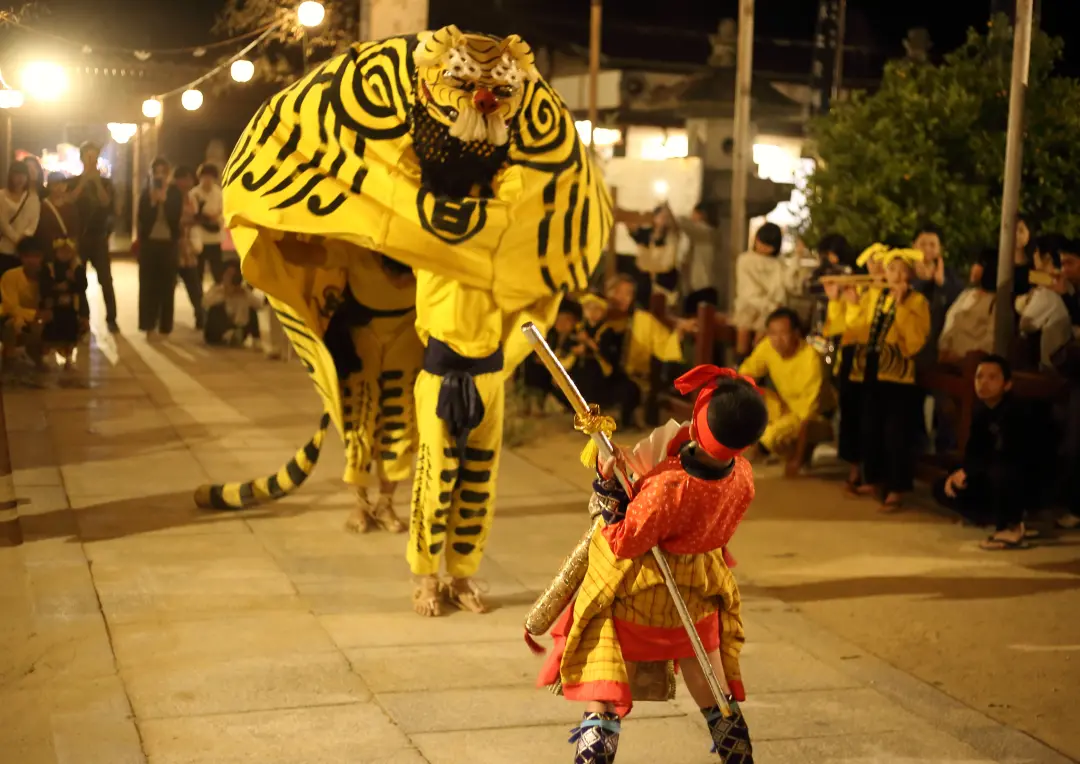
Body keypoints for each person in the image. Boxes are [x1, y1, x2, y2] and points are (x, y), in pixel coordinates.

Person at [537, 366, 766, 764]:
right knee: (716, 695)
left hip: (638, 599)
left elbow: (624, 540)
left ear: (698, 423)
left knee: (604, 696)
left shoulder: (668, 486)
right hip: (698, 591)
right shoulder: (743, 477)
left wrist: (608, 486)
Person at [825, 245, 931, 511]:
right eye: (891, 269)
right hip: (871, 371)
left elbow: (914, 342)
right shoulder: (877, 296)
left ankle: (896, 488)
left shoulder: (917, 301)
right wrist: (845, 302)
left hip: (898, 376)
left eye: (901, 270)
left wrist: (902, 306)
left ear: (910, 275)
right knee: (872, 428)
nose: (895, 275)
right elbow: (855, 331)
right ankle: (874, 480)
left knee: (896, 433)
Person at [933, 356, 1030, 550]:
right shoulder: (981, 412)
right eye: (979, 377)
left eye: (992, 377)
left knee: (1001, 470)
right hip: (989, 475)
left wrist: (971, 470)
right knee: (942, 486)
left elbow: (1011, 454)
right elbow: (974, 452)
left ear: (1007, 384)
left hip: (1022, 478)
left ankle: (1011, 526)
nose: (984, 383)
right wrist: (958, 474)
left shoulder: (1017, 411)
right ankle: (994, 517)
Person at [738, 307, 834, 459]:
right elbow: (745, 374)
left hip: (814, 418)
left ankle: (796, 454)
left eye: (783, 333)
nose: (777, 339)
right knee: (745, 393)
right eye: (773, 333)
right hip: (786, 408)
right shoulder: (767, 346)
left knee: (770, 436)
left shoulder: (810, 359)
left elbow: (807, 417)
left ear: (796, 334)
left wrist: (796, 461)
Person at [604, 274, 694, 428]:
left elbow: (664, 345)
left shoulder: (642, 319)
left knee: (631, 389)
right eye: (618, 292)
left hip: (629, 377)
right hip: (598, 373)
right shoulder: (598, 313)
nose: (624, 298)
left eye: (628, 293)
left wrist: (679, 331)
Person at [70, 142, 118, 333]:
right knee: (79, 278)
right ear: (82, 158)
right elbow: (70, 200)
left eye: (94, 157)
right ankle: (83, 318)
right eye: (88, 157)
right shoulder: (73, 182)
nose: (91, 161)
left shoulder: (106, 182)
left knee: (105, 280)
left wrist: (97, 182)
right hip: (79, 238)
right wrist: (83, 182)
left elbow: (106, 203)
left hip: (99, 238)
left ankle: (112, 318)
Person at [136, 157, 184, 340]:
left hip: (168, 244)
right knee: (148, 285)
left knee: (167, 285)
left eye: (164, 172)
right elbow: (142, 218)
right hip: (149, 244)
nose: (160, 175)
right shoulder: (145, 192)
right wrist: (153, 202)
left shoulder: (175, 193)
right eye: (156, 171)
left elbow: (175, 217)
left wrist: (165, 200)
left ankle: (165, 327)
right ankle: (148, 325)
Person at [911, 224, 964, 369]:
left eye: (932, 245)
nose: (927, 249)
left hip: (936, 335)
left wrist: (941, 283)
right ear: (913, 246)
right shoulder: (905, 269)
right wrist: (923, 281)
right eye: (922, 244)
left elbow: (959, 299)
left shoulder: (948, 274)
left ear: (940, 248)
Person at [1015, 236, 1070, 370]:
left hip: (1049, 365)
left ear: (1046, 257)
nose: (1034, 256)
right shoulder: (1058, 281)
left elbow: (1025, 324)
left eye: (1036, 252)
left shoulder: (1052, 285)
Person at [732, 222, 786, 359]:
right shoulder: (745, 260)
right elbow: (747, 291)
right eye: (761, 242)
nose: (763, 248)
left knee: (763, 334)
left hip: (770, 307)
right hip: (749, 304)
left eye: (768, 246)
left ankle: (757, 364)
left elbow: (780, 288)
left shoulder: (778, 264)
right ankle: (740, 364)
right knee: (744, 327)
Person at [1, 237, 49, 379]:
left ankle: (36, 354)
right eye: (27, 256)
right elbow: (11, 307)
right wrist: (35, 315)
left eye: (36, 256)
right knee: (11, 324)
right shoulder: (10, 276)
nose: (32, 260)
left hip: (37, 321)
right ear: (20, 257)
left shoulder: (47, 277)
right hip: (13, 320)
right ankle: (9, 358)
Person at [939, 248, 998, 362]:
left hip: (972, 361)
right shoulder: (966, 295)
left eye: (979, 265)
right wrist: (944, 348)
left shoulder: (995, 302)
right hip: (948, 358)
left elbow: (990, 340)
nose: (973, 268)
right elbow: (950, 321)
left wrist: (966, 357)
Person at [522, 299, 579, 416]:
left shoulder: (574, 339)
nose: (562, 323)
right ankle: (531, 402)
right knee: (533, 367)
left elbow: (568, 360)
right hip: (550, 369)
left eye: (567, 320)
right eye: (560, 319)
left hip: (566, 372)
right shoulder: (551, 335)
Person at [40, 235, 88, 370]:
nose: (65, 255)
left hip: (71, 307)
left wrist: (73, 281)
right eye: (62, 251)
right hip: (53, 305)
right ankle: (45, 358)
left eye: (68, 252)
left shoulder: (76, 267)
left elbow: (83, 287)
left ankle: (68, 358)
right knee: (50, 332)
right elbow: (43, 286)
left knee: (70, 333)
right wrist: (55, 288)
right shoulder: (49, 267)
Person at [629, 204, 683, 309]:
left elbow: (675, 229)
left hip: (665, 281)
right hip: (645, 281)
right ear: (654, 217)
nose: (663, 220)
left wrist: (668, 209)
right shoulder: (646, 233)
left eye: (666, 217)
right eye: (661, 216)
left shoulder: (671, 235)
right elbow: (632, 228)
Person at [172, 166, 203, 329]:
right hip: (174, 246)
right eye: (186, 179)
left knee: (194, 284)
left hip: (188, 247)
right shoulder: (171, 197)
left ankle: (201, 316)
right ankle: (163, 318)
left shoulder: (191, 198)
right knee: (169, 285)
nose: (189, 182)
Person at [202, 260, 262, 346]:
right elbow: (204, 303)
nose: (229, 278)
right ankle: (226, 336)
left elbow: (259, 306)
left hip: (238, 327)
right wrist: (224, 295)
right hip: (220, 330)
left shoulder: (243, 292)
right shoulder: (217, 289)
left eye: (233, 275)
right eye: (228, 274)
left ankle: (255, 339)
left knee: (252, 311)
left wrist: (246, 294)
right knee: (215, 309)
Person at [0, 160, 42, 277]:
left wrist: (24, 240)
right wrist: (17, 240)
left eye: (23, 175)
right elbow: (3, 223)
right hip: (4, 248)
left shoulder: (32, 197)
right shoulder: (1, 196)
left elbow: (33, 222)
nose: (20, 178)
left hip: (24, 251)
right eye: (16, 174)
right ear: (11, 176)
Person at [679, 203, 718, 315]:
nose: (691, 216)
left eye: (693, 213)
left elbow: (684, 223)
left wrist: (666, 205)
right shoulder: (697, 238)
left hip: (703, 288)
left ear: (702, 215)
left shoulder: (707, 233)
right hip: (693, 289)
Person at [190, 163, 225, 283]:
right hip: (199, 238)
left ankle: (218, 292)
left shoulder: (218, 193)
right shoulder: (194, 193)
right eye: (205, 176)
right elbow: (193, 213)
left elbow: (223, 211)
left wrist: (216, 216)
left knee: (217, 270)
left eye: (210, 177)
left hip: (215, 237)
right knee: (198, 270)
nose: (207, 180)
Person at [36, 173, 81, 261]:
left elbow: (75, 229)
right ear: (49, 186)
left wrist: (71, 246)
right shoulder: (42, 206)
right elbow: (42, 230)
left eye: (63, 184)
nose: (60, 187)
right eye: (56, 184)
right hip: (49, 252)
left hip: (69, 251)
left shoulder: (71, 207)